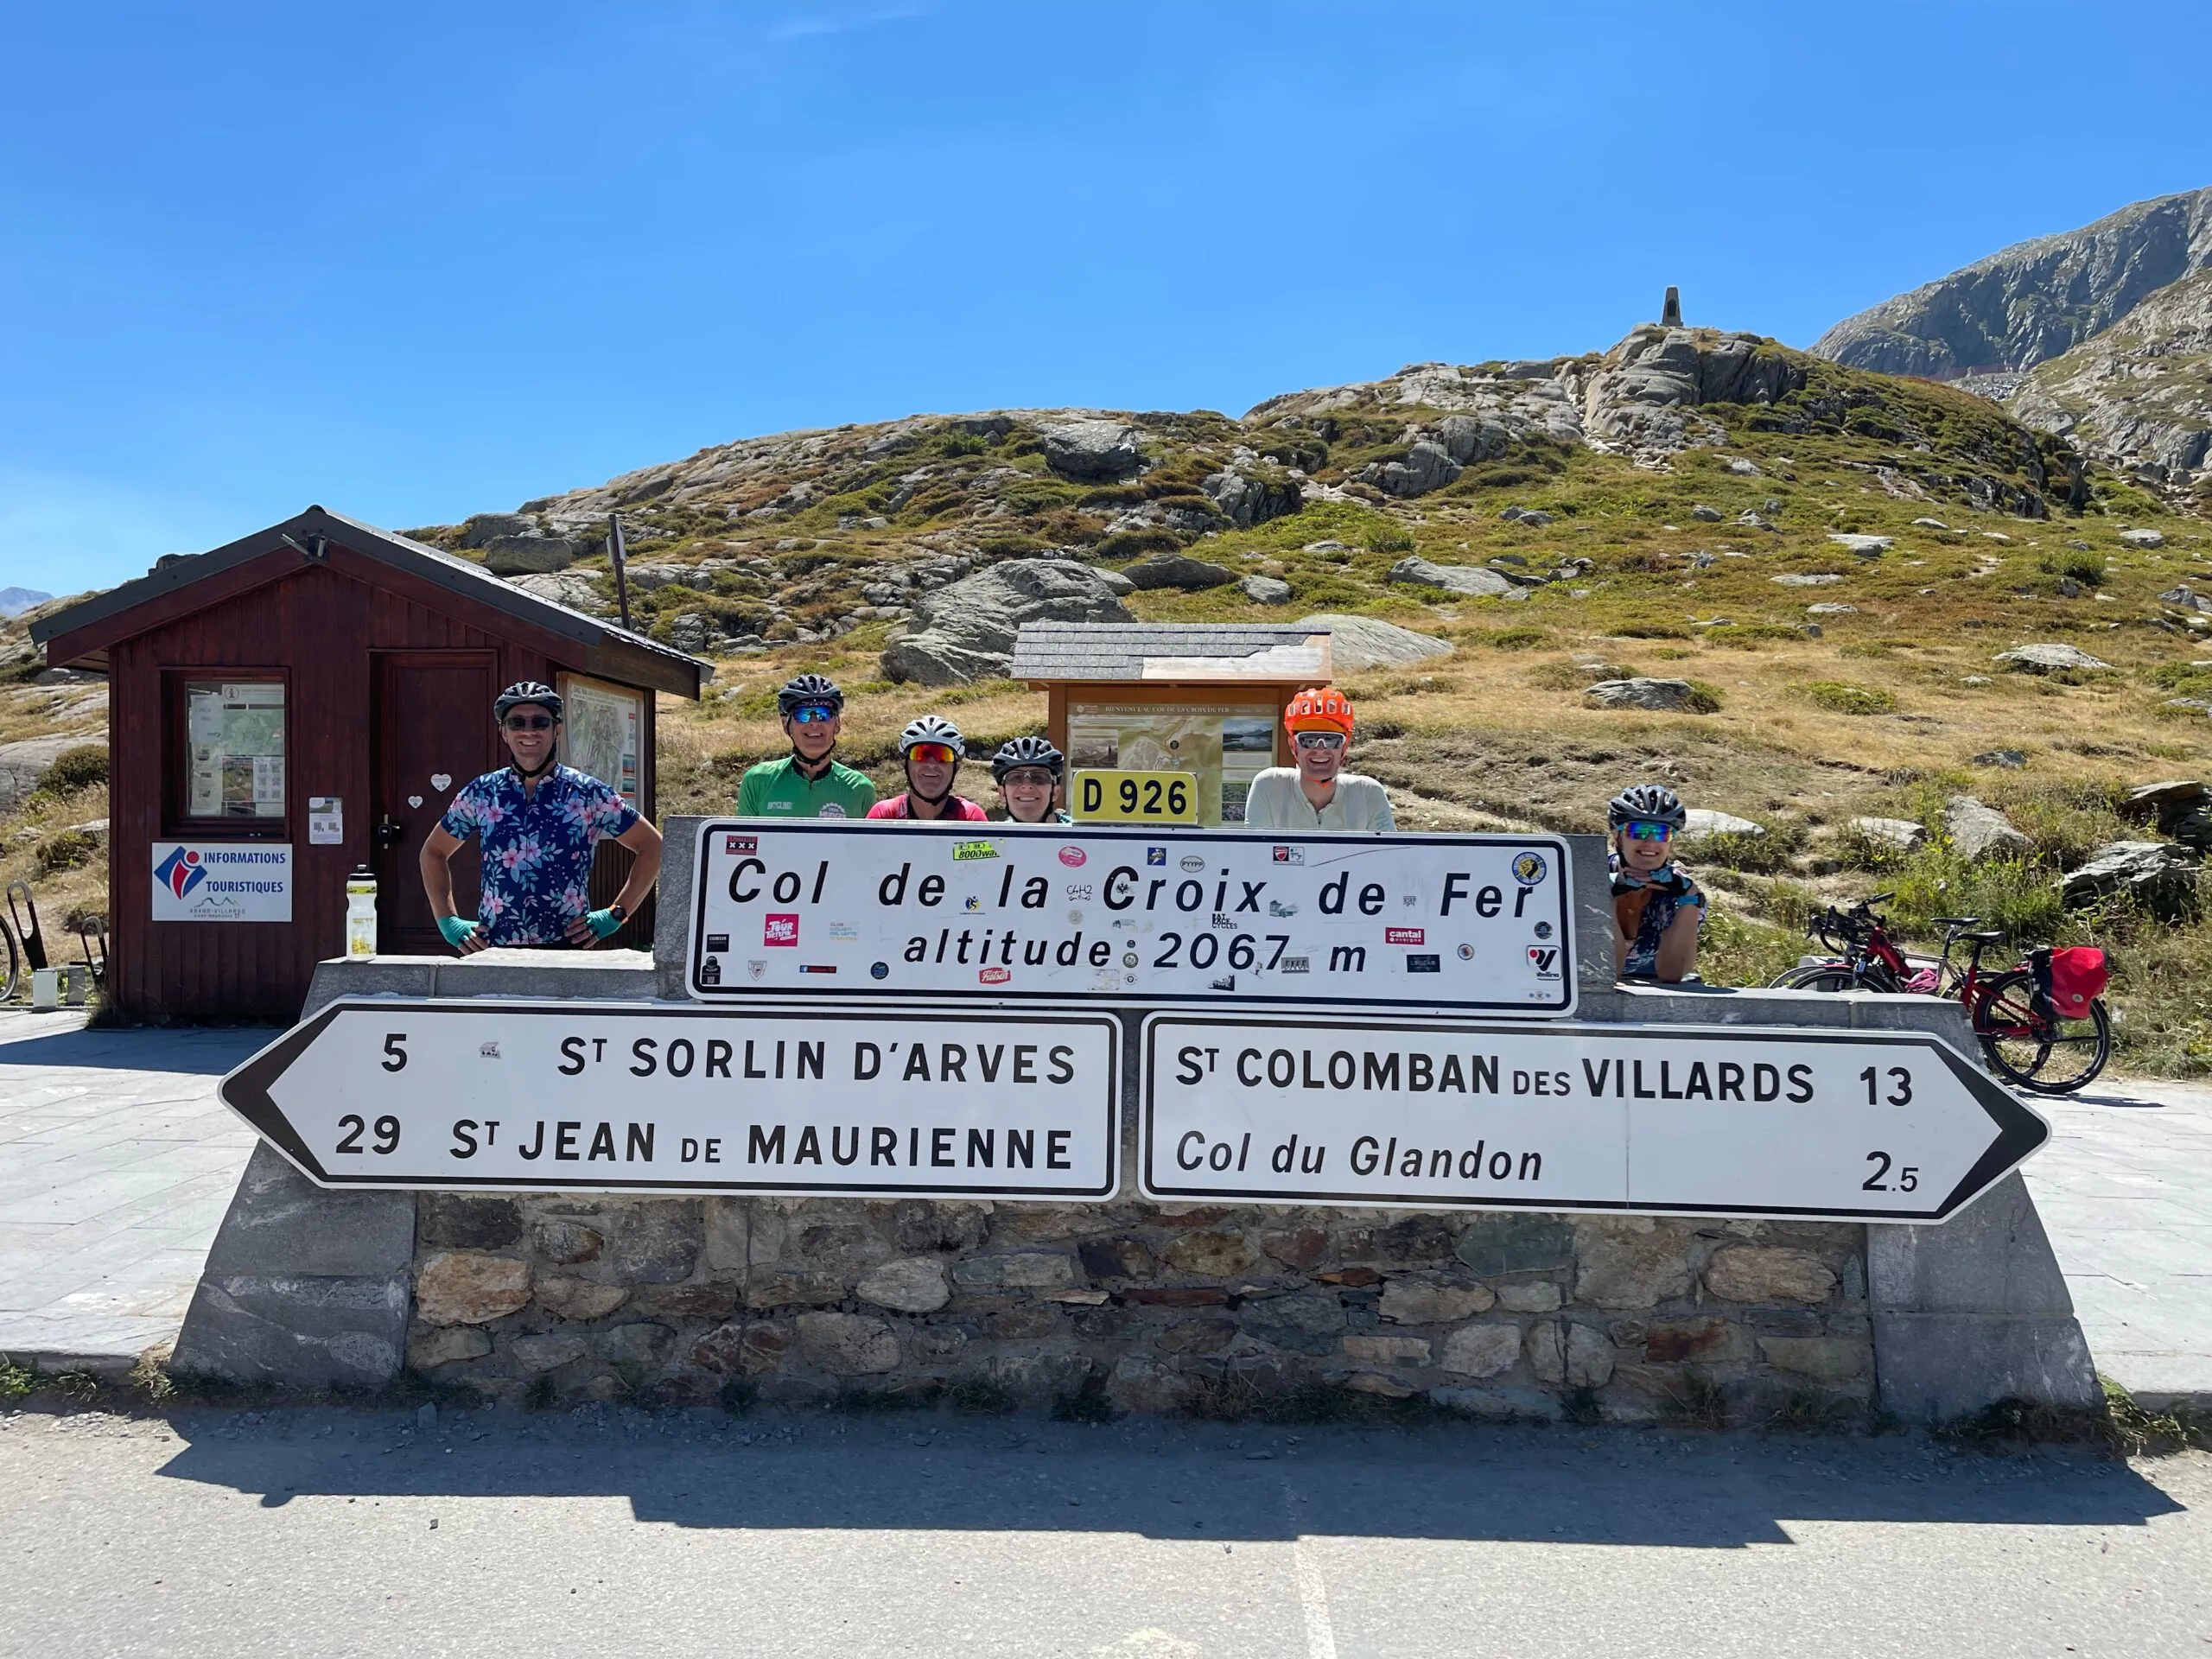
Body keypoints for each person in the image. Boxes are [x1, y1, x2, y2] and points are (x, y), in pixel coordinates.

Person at [422, 681, 664, 953]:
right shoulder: (482, 792)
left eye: (540, 722)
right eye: (516, 723)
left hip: (567, 949)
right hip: (495, 948)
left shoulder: (588, 792)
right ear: (503, 732)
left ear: (556, 730)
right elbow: (433, 852)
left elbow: (653, 846)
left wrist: (616, 914)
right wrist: (448, 922)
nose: (529, 731)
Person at [1239, 686, 1395, 831]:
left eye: (1331, 740)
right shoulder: (1269, 786)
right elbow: (1257, 850)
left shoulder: (1368, 793)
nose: (1320, 749)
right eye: (1309, 740)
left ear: (1344, 746)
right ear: (1293, 745)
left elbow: (1389, 851)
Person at [734, 674, 878, 819]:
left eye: (823, 714)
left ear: (837, 724)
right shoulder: (758, 780)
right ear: (785, 725)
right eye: (803, 714)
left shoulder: (861, 789)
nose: (814, 722)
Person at [1607, 782, 1705, 983]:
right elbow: (1607, 970)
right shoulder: (1588, 876)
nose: (1651, 843)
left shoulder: (1683, 891)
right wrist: (1604, 895)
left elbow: (1672, 973)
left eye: (1662, 833)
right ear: (1617, 837)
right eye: (1638, 831)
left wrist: (1689, 899)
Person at [867, 715, 990, 821]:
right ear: (905, 764)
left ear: (956, 768)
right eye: (920, 754)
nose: (931, 764)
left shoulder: (970, 817)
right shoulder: (884, 815)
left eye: (943, 755)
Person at [988, 736, 1071, 823]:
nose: (1027, 786)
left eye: (1039, 778)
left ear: (1055, 792)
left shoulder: (1078, 830)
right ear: (1002, 793)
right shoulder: (991, 832)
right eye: (1015, 778)